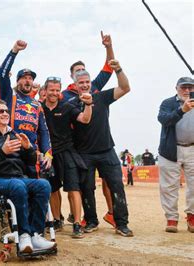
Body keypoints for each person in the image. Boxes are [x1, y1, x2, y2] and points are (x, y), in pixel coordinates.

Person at [0, 100, 56, 253]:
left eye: (6, 111)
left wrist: (29, 149)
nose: (5, 113)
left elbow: (30, 162)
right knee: (18, 185)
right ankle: (24, 235)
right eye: (0, 111)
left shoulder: (15, 135)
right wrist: (2, 152)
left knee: (44, 185)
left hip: (18, 177)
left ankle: (36, 235)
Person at [70, 59, 133, 237]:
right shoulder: (72, 104)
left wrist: (119, 69)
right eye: (80, 83)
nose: (84, 85)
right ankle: (91, 221)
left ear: (91, 84)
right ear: (75, 85)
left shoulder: (102, 97)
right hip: (84, 153)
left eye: (87, 82)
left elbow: (125, 88)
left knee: (117, 187)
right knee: (87, 188)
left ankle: (121, 224)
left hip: (107, 150)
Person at [42, 76, 93, 238]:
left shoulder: (67, 106)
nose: (54, 93)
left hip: (67, 152)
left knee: (73, 188)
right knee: (52, 189)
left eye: (57, 90)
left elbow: (85, 119)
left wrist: (88, 104)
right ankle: (57, 220)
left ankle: (77, 224)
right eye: (51, 90)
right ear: (45, 90)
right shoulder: (38, 108)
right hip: (48, 154)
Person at [0, 40, 52, 178]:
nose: (28, 81)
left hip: (31, 152)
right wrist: (14, 51)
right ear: (17, 81)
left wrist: (48, 154)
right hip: (10, 150)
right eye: (24, 78)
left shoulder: (37, 105)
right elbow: (2, 73)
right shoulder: (9, 96)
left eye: (30, 79)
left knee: (36, 189)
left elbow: (44, 131)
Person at [157, 76, 194, 233]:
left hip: (192, 149)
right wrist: (182, 110)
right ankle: (171, 218)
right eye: (183, 87)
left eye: (190, 87)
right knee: (168, 187)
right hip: (170, 150)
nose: (186, 90)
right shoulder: (168, 103)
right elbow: (164, 119)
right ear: (176, 88)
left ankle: (192, 216)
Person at [61, 31, 114, 103]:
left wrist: (109, 46)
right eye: (78, 71)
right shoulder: (64, 95)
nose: (81, 72)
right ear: (71, 76)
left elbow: (110, 66)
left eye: (83, 70)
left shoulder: (95, 85)